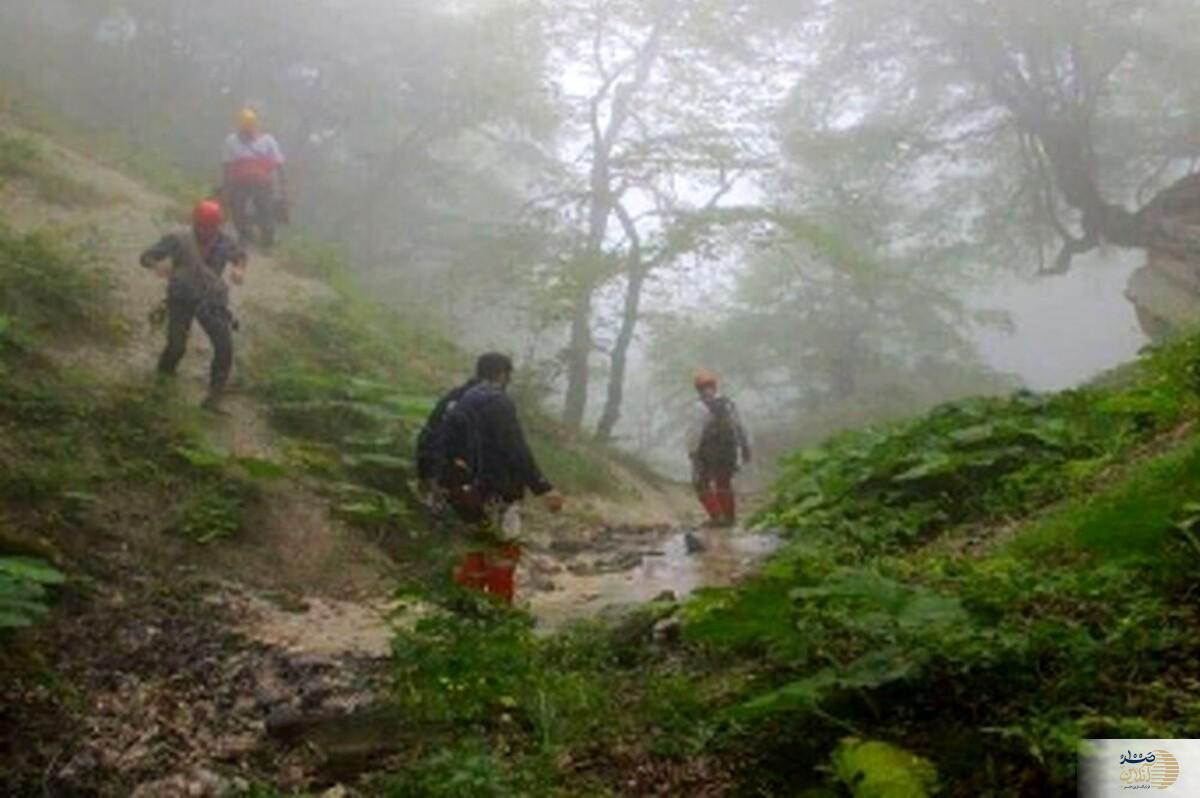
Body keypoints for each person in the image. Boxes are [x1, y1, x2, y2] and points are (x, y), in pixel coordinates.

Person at [140, 200, 247, 411]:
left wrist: (239, 269)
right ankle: (162, 386)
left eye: (211, 226)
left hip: (210, 299)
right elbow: (146, 257)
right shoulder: (179, 240)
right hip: (181, 297)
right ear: (195, 223)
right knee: (176, 346)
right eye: (202, 225)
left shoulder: (226, 242)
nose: (206, 230)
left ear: (219, 225)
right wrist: (156, 265)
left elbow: (240, 256)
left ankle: (214, 398)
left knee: (224, 347)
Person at [437, 353, 564, 527]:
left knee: (474, 539)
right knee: (502, 541)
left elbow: (440, 437)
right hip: (495, 487)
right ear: (502, 375)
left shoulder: (461, 398)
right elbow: (515, 448)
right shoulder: (497, 401)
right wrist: (542, 487)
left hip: (461, 483)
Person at [686, 369, 751, 527]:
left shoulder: (699, 406)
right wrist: (744, 447)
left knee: (700, 483)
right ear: (715, 385)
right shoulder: (728, 403)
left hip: (707, 451)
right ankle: (729, 518)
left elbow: (695, 432)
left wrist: (692, 451)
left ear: (698, 388)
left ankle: (717, 516)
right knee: (724, 483)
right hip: (729, 449)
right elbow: (739, 426)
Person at [222, 107, 287, 249]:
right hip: (240, 182)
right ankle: (244, 234)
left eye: (250, 129)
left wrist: (283, 190)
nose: (248, 132)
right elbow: (226, 165)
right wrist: (226, 187)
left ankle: (267, 241)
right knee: (237, 207)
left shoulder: (267, 141)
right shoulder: (232, 141)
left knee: (265, 210)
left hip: (262, 183)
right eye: (245, 129)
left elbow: (279, 165)